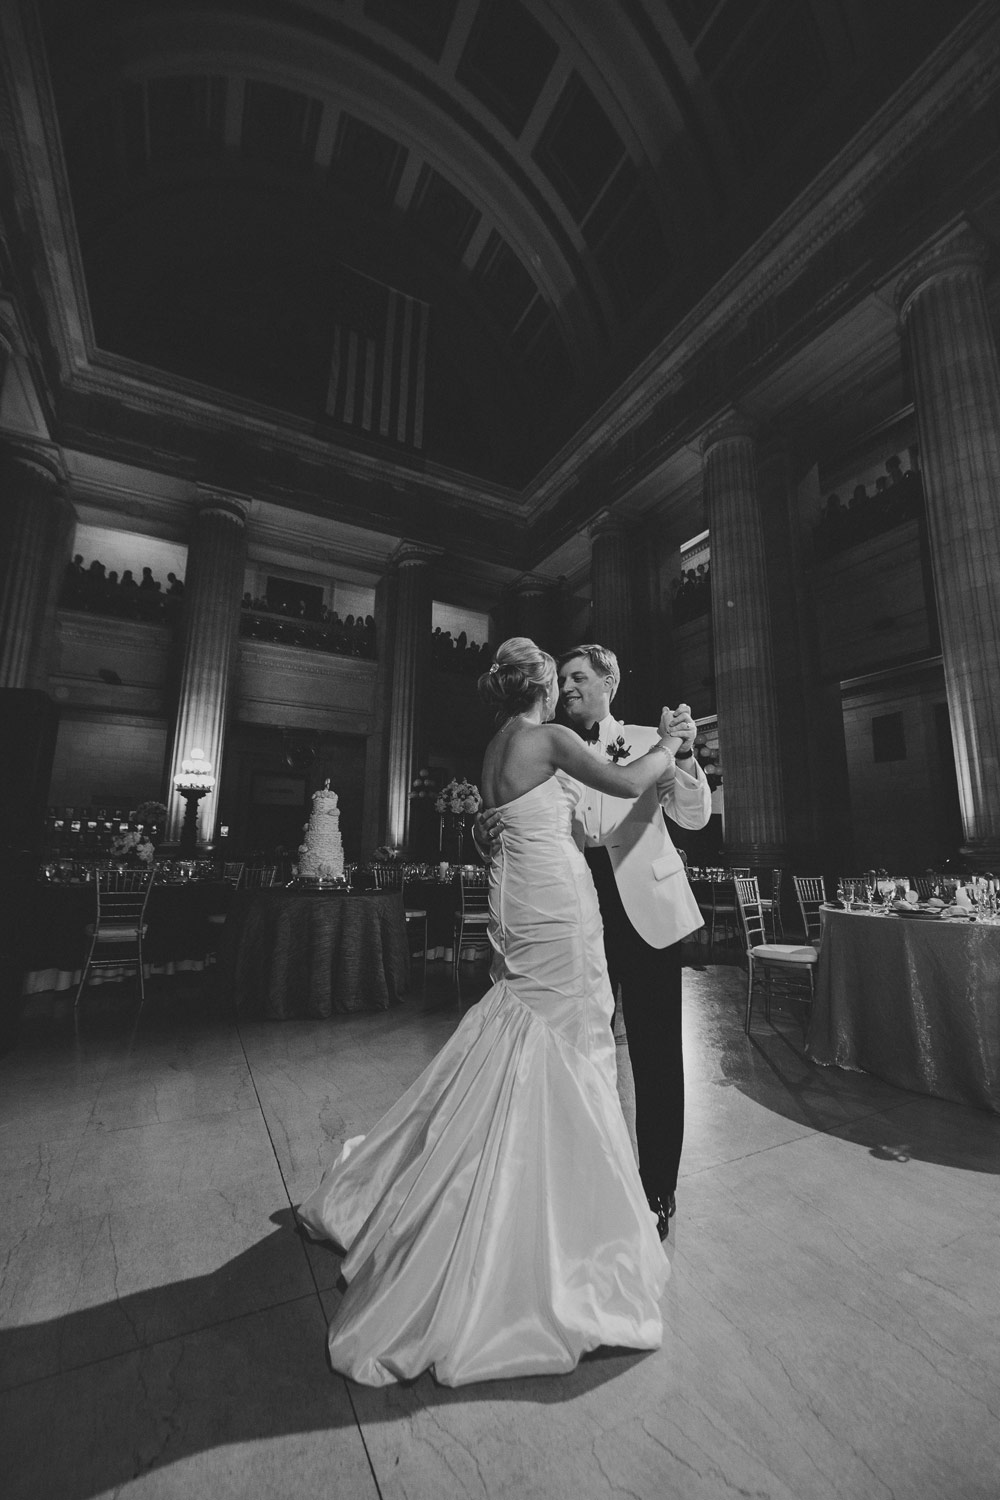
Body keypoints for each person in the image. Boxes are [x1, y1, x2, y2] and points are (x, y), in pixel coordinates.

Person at [298, 636, 683, 1388]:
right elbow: (630, 779)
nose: (566, 684)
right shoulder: (548, 737)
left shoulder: (496, 746)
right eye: (557, 672)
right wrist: (668, 743)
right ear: (541, 683)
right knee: (566, 1039)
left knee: (527, 1032)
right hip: (556, 914)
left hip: (522, 908)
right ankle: (565, 1232)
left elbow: (499, 829)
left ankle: (508, 1190)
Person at [553, 644, 711, 1238]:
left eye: (577, 676)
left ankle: (658, 1191)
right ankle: (590, 1176)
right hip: (580, 905)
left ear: (607, 682)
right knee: (584, 1043)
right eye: (563, 678)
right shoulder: (556, 748)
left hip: (645, 904)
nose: (566, 686)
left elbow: (694, 817)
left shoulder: (652, 737)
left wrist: (687, 755)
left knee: (655, 1053)